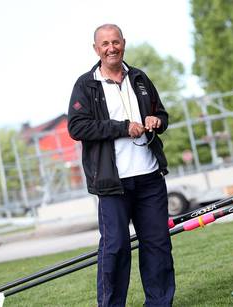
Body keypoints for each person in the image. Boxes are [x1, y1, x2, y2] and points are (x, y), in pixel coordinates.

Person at [67, 24, 174, 307]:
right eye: (105, 44)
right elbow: (77, 127)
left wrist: (156, 122)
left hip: (149, 176)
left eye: (116, 42)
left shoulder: (139, 77)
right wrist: (122, 128)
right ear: (96, 49)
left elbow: (161, 113)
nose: (111, 48)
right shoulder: (86, 85)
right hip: (112, 182)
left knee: (158, 244)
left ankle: (160, 303)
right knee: (115, 248)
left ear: (123, 43)